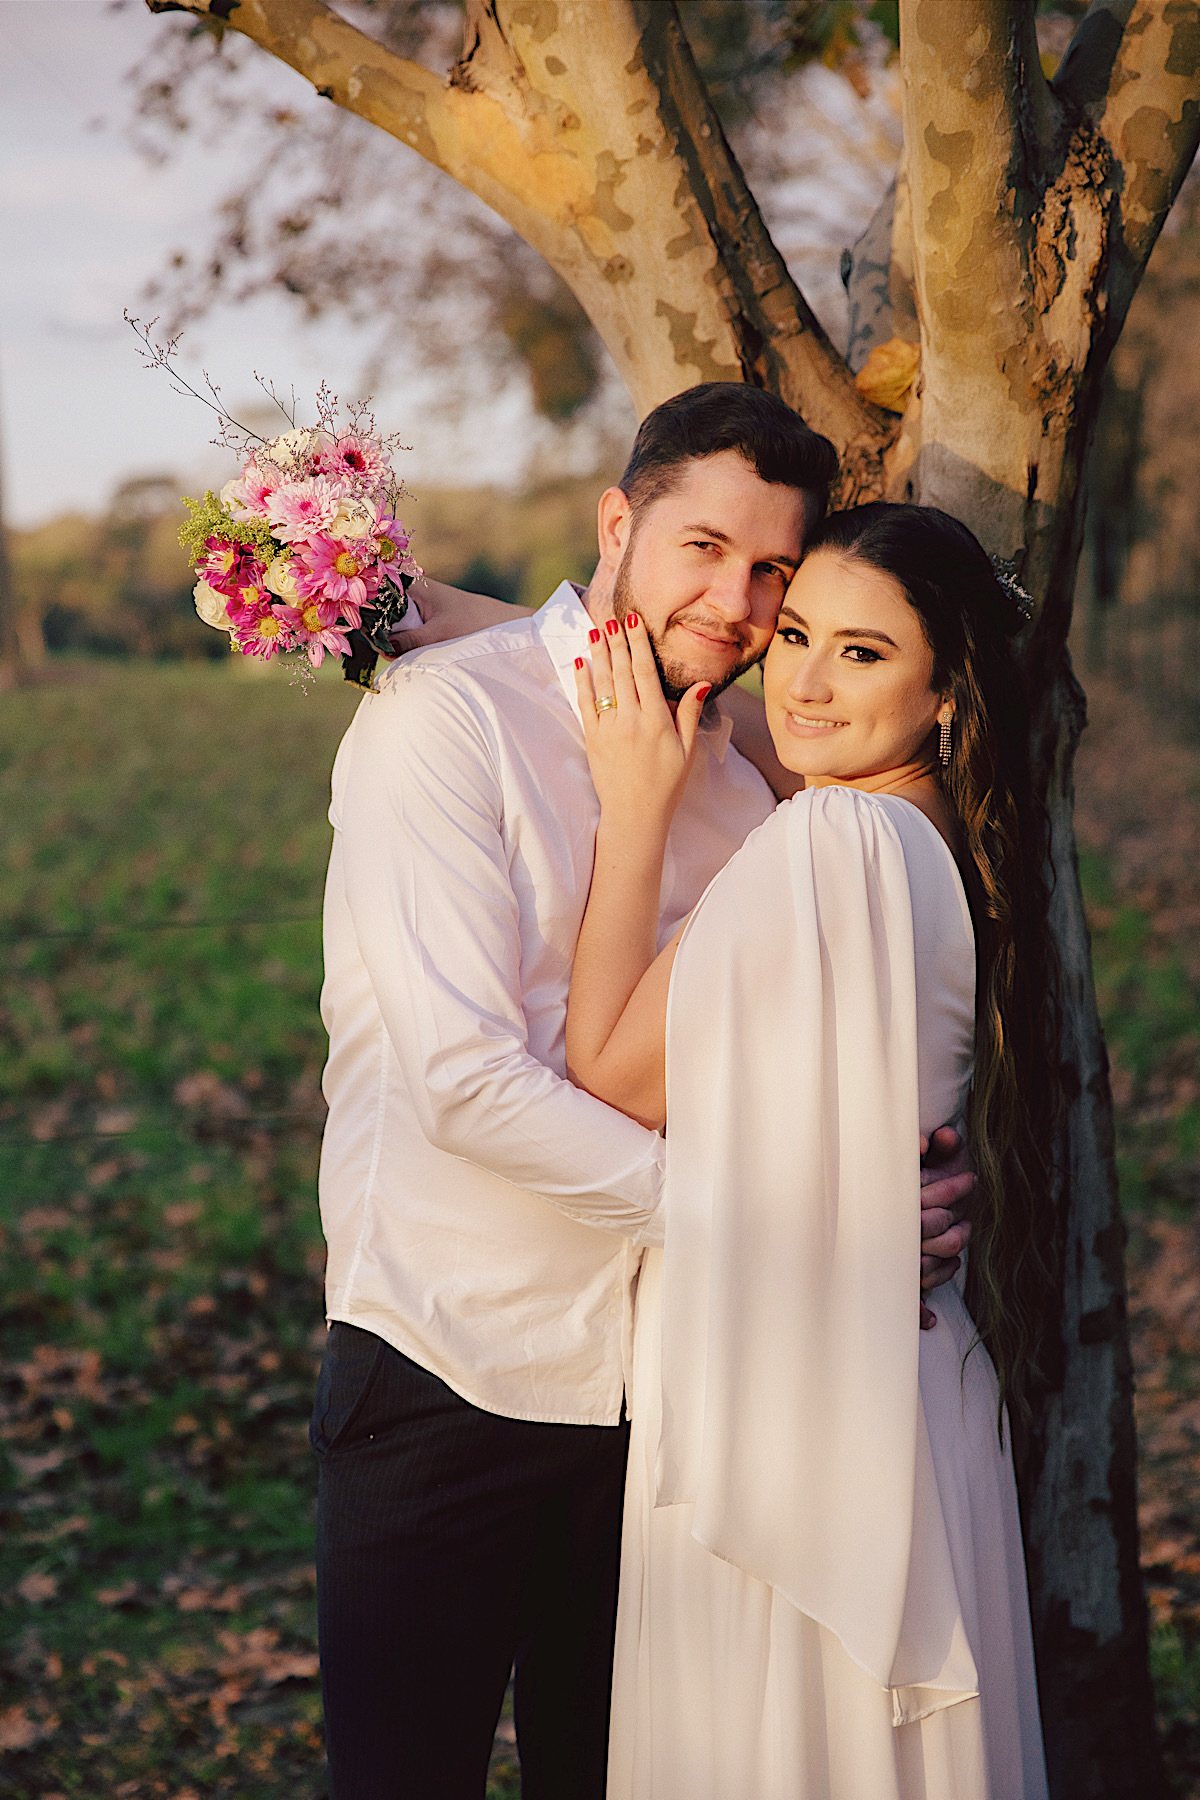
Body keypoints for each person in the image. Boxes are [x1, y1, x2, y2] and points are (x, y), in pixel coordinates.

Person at [312, 386, 975, 1799]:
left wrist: (884, 1171)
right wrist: (801, 1225)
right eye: (702, 549)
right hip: (455, 1363)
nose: (735, 603)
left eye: (773, 577)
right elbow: (463, 1084)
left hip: (669, 1409)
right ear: (619, 523)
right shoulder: (442, 724)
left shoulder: (760, 779)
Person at [564, 502, 1054, 1800]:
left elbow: (612, 1071)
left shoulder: (829, 844)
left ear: (947, 692)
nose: (805, 679)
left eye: (862, 652)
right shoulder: (942, 840)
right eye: (792, 636)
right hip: (906, 1391)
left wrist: (636, 805)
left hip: (797, 1413)